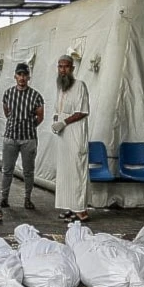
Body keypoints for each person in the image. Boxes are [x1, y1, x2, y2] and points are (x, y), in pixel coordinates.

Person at [52, 54, 91, 223]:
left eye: (66, 67)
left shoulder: (80, 85)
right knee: (65, 172)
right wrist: (56, 120)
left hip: (75, 134)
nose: (63, 70)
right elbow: (58, 109)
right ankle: (71, 207)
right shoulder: (61, 87)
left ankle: (81, 211)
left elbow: (82, 111)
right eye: (60, 67)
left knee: (76, 171)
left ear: (72, 69)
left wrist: (64, 122)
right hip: (63, 137)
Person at [0, 61, 44, 209]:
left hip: (28, 139)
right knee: (7, 169)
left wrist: (29, 126)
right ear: (15, 76)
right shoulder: (8, 93)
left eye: (25, 75)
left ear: (29, 77)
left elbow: (40, 116)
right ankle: (4, 198)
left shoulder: (35, 96)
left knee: (28, 171)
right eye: (20, 74)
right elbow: (7, 113)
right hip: (11, 137)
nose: (22, 77)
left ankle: (27, 198)